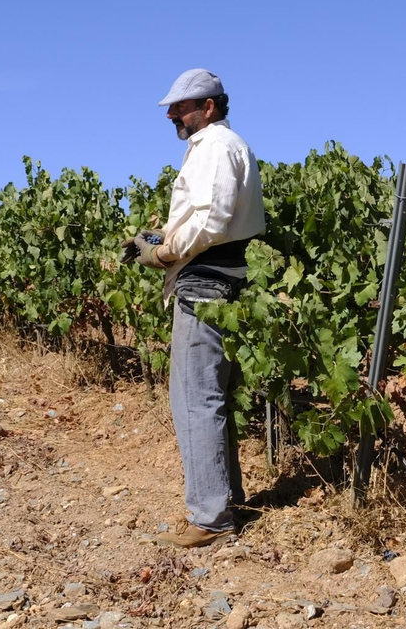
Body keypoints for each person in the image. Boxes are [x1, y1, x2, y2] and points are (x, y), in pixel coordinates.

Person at [124, 68, 265, 548]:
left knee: (195, 398)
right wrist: (155, 239)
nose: (171, 114)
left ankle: (210, 517)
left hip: (205, 286)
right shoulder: (222, 148)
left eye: (181, 106)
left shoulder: (217, 148)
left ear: (209, 107)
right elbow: (211, 221)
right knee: (211, 397)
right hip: (220, 281)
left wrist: (163, 252)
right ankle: (226, 498)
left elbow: (210, 221)